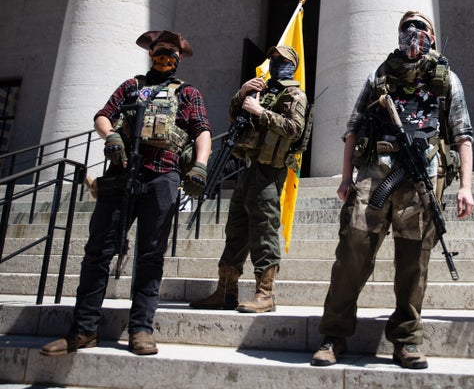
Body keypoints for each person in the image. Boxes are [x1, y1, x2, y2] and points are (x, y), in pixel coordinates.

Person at [310, 11, 474, 370]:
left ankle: (406, 339)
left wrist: (465, 186)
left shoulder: (447, 80)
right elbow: (353, 127)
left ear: (432, 35)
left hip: (423, 178)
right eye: (406, 26)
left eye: (421, 26)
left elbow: (463, 135)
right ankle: (334, 334)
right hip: (375, 173)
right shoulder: (379, 75)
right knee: (353, 250)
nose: (413, 32)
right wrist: (344, 178)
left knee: (414, 260)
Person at [41, 30, 212, 356]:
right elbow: (103, 116)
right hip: (121, 175)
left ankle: (141, 330)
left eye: (171, 53)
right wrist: (110, 137)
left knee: (150, 257)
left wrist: (200, 165)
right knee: (98, 254)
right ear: (151, 54)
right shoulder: (132, 86)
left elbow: (202, 131)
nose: (165, 57)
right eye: (160, 51)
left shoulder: (188, 93)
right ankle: (83, 330)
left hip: (162, 178)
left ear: (178, 58)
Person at [189, 45, 307, 313]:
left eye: (282, 59)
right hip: (249, 169)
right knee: (236, 230)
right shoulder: (262, 92)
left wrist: (259, 112)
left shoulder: (294, 94)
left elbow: (294, 128)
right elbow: (234, 117)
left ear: (293, 64)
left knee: (264, 230)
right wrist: (242, 93)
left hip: (269, 172)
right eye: (273, 58)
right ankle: (225, 291)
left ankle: (265, 294)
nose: (275, 62)